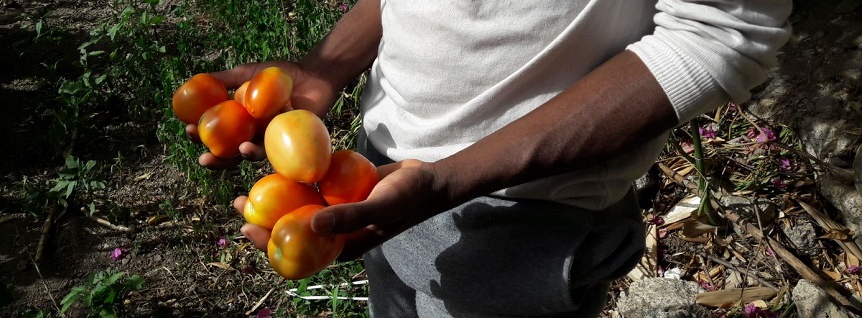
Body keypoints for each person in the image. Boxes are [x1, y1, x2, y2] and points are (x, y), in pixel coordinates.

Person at [185, 0, 792, 316]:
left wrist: (451, 180)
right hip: (377, 178)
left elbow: (718, 33)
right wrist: (327, 66)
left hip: (523, 216)